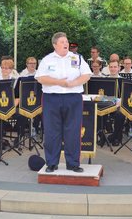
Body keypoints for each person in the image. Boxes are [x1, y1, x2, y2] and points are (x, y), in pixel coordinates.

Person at [36, 32, 91, 173]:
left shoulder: (77, 58)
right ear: (55, 45)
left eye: (66, 41)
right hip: (51, 98)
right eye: (62, 42)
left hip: (73, 98)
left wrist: (74, 83)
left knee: (73, 131)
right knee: (51, 131)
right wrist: (58, 82)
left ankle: (73, 163)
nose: (66, 44)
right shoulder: (47, 60)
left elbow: (86, 75)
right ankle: (52, 163)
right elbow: (41, 78)